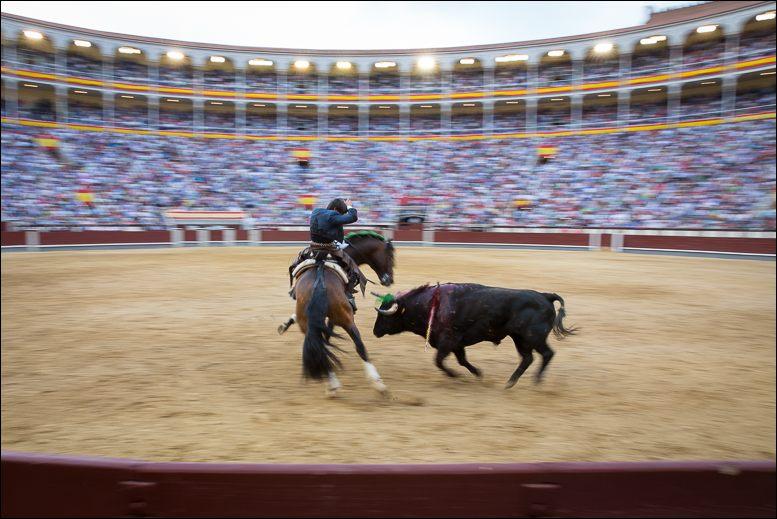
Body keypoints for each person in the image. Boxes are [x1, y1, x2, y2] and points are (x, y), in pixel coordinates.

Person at [288, 198, 367, 312]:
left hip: (313, 247)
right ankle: (349, 296)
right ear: (335, 209)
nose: (340, 217)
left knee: (298, 262)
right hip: (330, 248)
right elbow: (352, 217)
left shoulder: (316, 211)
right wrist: (349, 207)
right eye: (340, 213)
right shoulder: (333, 215)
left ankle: (295, 288)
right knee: (352, 268)